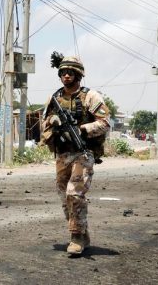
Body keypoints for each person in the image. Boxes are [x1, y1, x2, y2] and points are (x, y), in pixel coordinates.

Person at [40, 54, 110, 255]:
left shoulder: (91, 97)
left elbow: (105, 123)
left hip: (83, 152)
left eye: (71, 72)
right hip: (63, 154)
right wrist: (53, 121)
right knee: (65, 197)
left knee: (75, 194)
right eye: (63, 72)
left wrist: (82, 129)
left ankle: (76, 237)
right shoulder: (54, 98)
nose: (66, 76)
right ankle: (82, 231)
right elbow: (43, 123)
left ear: (78, 75)